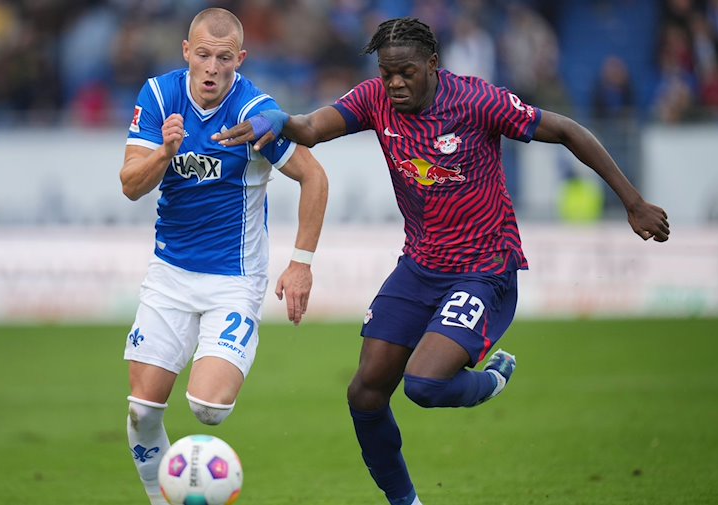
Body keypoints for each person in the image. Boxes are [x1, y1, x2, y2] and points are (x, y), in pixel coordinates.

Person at [214, 17, 670, 505]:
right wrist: (278, 120)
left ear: (432, 65)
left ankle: (489, 380)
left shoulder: (477, 101)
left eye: (405, 72)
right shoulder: (375, 99)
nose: (394, 83)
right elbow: (310, 128)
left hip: (484, 269)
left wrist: (633, 202)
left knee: (425, 385)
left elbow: (566, 130)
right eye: (387, 73)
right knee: (364, 394)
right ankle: (406, 501)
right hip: (420, 266)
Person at [118, 8, 328, 505]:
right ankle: (161, 498)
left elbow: (315, 177)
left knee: (206, 409)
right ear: (187, 52)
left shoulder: (254, 110)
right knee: (142, 411)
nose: (213, 68)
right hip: (169, 273)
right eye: (204, 55)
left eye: (225, 58)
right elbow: (130, 187)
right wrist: (164, 153)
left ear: (240, 59)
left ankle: (234, 340)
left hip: (234, 277)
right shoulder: (158, 95)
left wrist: (301, 262)